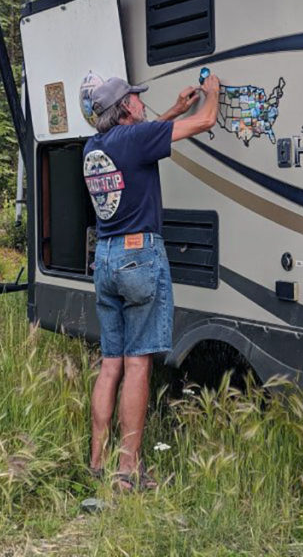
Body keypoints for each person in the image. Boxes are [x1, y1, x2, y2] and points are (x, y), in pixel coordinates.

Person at [80, 72, 220, 490]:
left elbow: (147, 132)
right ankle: (128, 472)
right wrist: (211, 94)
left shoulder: (94, 147)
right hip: (138, 257)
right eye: (135, 99)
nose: (142, 102)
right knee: (138, 364)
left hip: (104, 258)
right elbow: (206, 122)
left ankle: (97, 462)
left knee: (111, 365)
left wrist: (176, 108)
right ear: (125, 109)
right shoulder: (134, 141)